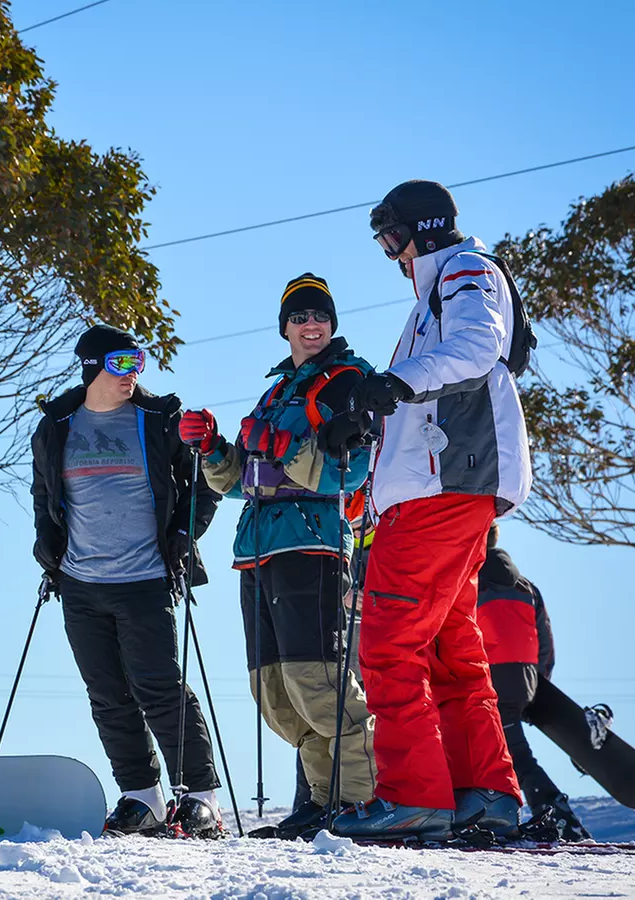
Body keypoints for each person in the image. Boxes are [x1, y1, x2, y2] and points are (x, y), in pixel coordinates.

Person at [324, 179, 529, 840]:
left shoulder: (465, 272)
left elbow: (478, 350)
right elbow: (427, 393)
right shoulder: (431, 299)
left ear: (426, 229)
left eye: (394, 237)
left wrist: (389, 384)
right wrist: (367, 420)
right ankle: (482, 790)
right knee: (448, 645)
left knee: (387, 640)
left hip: (446, 488)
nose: (392, 254)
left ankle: (412, 795)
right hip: (448, 487)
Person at [179, 273, 378, 840]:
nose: (310, 325)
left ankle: (363, 803)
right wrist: (213, 447)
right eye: (299, 317)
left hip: (311, 544)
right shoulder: (276, 393)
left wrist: (282, 448)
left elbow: (354, 470)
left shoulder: (347, 381)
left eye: (320, 316)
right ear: (285, 327)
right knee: (277, 694)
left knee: (318, 682)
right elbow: (238, 479)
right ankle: (323, 803)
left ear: (332, 323)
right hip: (257, 548)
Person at [31, 324, 224, 838]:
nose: (132, 375)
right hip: (79, 582)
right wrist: (46, 549)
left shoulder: (159, 420)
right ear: (92, 367)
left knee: (159, 688)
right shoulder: (57, 426)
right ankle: (142, 797)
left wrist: (184, 538)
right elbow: (43, 497)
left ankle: (199, 798)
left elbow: (206, 484)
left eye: (138, 363)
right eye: (121, 364)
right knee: (107, 693)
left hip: (144, 577)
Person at [476, 523, 591, 841]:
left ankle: (557, 817)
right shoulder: (527, 587)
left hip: (487, 677)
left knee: (513, 753)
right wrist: (539, 686)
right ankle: (499, 812)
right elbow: (545, 642)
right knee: (503, 749)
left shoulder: (469, 581)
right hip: (525, 678)